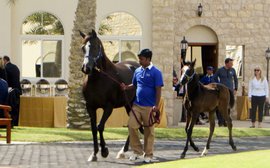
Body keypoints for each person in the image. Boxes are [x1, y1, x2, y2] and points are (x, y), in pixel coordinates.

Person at [121, 48, 164, 163]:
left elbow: (158, 90)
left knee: (149, 131)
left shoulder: (156, 72)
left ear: (148, 59)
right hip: (137, 105)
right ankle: (137, 151)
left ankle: (148, 154)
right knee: (131, 126)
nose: (139, 61)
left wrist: (156, 106)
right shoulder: (137, 71)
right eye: (139, 58)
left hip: (150, 107)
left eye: (141, 59)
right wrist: (126, 87)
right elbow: (134, 84)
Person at [213, 58, 238, 126]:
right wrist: (218, 85)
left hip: (230, 91)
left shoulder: (233, 70)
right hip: (222, 91)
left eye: (232, 63)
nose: (232, 65)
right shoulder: (220, 70)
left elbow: (235, 79)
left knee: (229, 106)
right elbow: (214, 77)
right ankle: (220, 121)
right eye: (231, 63)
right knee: (220, 106)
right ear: (226, 63)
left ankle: (226, 121)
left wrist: (235, 88)